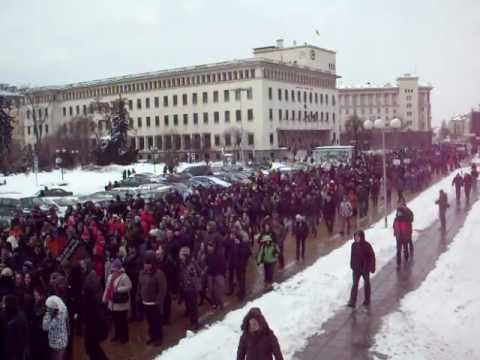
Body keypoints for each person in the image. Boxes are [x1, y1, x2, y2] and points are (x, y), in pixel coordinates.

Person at [137, 251, 167, 346]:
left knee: (156, 322)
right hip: (145, 302)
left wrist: (158, 302)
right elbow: (139, 286)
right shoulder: (142, 273)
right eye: (145, 263)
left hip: (155, 304)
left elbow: (162, 289)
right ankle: (152, 336)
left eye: (148, 263)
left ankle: (158, 338)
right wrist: (138, 296)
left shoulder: (158, 274)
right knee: (149, 322)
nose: (146, 265)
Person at [103, 258, 132, 343]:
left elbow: (129, 287)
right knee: (115, 321)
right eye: (113, 268)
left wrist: (118, 289)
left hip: (121, 304)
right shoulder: (110, 277)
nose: (114, 270)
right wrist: (104, 298)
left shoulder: (124, 277)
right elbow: (107, 288)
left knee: (122, 321)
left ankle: (124, 337)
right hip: (113, 303)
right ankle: (117, 335)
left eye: (115, 268)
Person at [347, 230, 375, 308]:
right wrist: (352, 265)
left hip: (365, 269)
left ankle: (367, 299)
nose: (356, 238)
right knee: (355, 284)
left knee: (366, 283)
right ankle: (352, 301)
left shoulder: (367, 245)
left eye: (358, 237)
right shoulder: (353, 245)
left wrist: (372, 267)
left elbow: (372, 256)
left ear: (362, 237)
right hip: (356, 269)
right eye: (355, 237)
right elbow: (352, 256)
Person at [3, 294, 30, 360]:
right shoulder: (4, 314)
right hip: (10, 350)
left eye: (4, 302)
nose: (2, 304)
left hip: (15, 352)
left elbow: (23, 336)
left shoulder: (19, 318)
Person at [43, 295, 68, 360]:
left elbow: (45, 327)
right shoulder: (63, 310)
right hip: (62, 342)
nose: (46, 309)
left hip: (57, 344)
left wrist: (47, 316)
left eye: (48, 307)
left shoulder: (57, 318)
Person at [393, 202, 413, 267]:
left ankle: (404, 260)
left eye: (399, 212)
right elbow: (394, 226)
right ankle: (399, 262)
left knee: (404, 248)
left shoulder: (405, 219)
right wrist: (395, 233)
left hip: (403, 236)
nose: (398, 213)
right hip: (400, 237)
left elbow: (408, 227)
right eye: (398, 212)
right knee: (399, 250)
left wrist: (408, 234)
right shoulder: (397, 219)